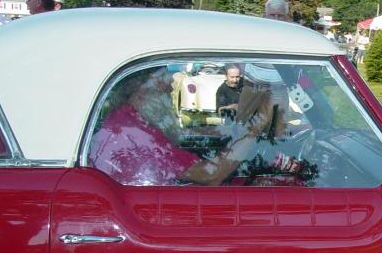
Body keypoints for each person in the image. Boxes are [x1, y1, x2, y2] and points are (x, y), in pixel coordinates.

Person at [90, 67, 278, 186]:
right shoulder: (137, 134)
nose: (171, 87)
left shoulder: (132, 120)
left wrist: (226, 132)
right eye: (161, 83)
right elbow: (210, 175)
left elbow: (180, 135)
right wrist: (255, 129)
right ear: (138, 92)